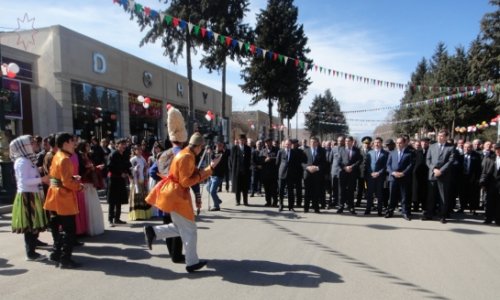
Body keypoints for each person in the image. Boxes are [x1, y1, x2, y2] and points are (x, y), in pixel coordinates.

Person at [144, 133, 221, 273]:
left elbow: (190, 173)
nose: (201, 150)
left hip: (174, 194)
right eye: (201, 147)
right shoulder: (186, 156)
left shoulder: (186, 154)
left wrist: (209, 168)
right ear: (197, 146)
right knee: (190, 230)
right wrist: (207, 170)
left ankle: (153, 231)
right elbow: (186, 181)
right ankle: (191, 262)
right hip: (177, 195)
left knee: (181, 228)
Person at [44, 132, 84, 268]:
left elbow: (56, 177)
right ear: (66, 143)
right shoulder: (65, 159)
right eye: (72, 141)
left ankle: (56, 253)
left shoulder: (57, 155)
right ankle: (65, 259)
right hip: (63, 197)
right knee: (69, 229)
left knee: (58, 227)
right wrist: (79, 186)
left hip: (54, 195)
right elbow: (66, 182)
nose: (74, 144)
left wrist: (73, 179)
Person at [10, 135, 50, 261]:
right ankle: (30, 253)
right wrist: (42, 179)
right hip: (28, 195)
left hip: (32, 194)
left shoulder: (27, 160)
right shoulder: (22, 161)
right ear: (24, 146)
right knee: (30, 224)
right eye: (31, 142)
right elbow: (25, 181)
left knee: (34, 222)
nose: (34, 144)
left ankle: (34, 244)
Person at [423, 130, 456, 223]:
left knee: (443, 196)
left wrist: (441, 171)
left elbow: (451, 161)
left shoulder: (451, 148)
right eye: (439, 136)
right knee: (431, 196)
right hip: (432, 175)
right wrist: (434, 169)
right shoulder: (432, 146)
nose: (439, 137)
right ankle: (429, 214)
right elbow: (428, 160)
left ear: (446, 137)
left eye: (442, 136)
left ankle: (442, 215)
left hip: (444, 175)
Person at [77, 140, 105, 236]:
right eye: (87, 145)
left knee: (93, 205)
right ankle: (88, 228)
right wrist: (91, 168)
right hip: (86, 183)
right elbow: (82, 171)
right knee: (88, 205)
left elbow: (90, 168)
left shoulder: (87, 156)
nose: (89, 147)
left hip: (91, 182)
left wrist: (96, 168)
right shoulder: (81, 157)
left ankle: (93, 227)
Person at [385, 136, 414, 220]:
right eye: (397, 143)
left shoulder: (410, 153)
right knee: (392, 196)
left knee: (404, 196)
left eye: (400, 143)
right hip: (393, 178)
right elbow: (388, 165)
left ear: (404, 143)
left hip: (404, 178)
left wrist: (403, 173)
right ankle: (390, 211)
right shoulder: (392, 152)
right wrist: (392, 172)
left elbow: (411, 165)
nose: (398, 145)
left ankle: (405, 213)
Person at [107, 138, 132, 226]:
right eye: (122, 144)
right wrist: (120, 173)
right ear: (117, 145)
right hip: (113, 179)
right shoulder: (113, 154)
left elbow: (127, 165)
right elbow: (110, 167)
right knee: (112, 200)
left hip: (121, 179)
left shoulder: (125, 154)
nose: (123, 146)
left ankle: (117, 218)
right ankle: (110, 219)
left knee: (120, 199)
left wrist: (130, 174)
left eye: (124, 144)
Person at [337, 136, 363, 214]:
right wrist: (345, 167)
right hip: (343, 172)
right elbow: (338, 161)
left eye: (349, 141)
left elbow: (359, 160)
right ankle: (341, 206)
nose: (347, 142)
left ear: (352, 142)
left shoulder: (357, 150)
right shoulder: (341, 149)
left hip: (352, 173)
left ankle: (351, 207)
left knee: (351, 191)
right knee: (342, 190)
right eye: (346, 141)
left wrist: (352, 167)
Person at [276, 139, 304, 211]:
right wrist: (279, 173)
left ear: (291, 145)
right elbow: (277, 163)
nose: (288, 145)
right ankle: (281, 205)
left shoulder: (294, 152)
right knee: (281, 190)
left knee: (291, 191)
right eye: (286, 144)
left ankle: (291, 206)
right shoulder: (280, 151)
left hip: (291, 174)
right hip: (282, 174)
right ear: (284, 144)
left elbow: (296, 163)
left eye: (289, 144)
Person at [364, 137, 388, 215]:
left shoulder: (386, 153)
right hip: (370, 176)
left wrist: (379, 173)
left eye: (378, 142)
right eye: (375, 142)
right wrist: (371, 173)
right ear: (373, 144)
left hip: (380, 177)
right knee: (369, 193)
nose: (377, 144)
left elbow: (386, 166)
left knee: (379, 194)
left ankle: (379, 210)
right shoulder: (370, 153)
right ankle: (368, 209)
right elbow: (367, 165)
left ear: (381, 143)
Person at [302, 137, 327, 213]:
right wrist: (307, 167)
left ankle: (316, 207)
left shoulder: (322, 151)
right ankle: (306, 208)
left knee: (316, 191)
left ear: (317, 143)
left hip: (317, 174)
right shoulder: (305, 151)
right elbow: (302, 162)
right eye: (311, 142)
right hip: (308, 173)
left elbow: (324, 163)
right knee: (307, 192)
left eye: (314, 142)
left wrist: (317, 168)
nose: (313, 143)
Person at [457, 142, 482, 215]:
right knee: (462, 193)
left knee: (473, 194)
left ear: (471, 148)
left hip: (472, 178)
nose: (467, 149)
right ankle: (462, 207)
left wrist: (477, 178)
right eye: (465, 147)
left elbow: (479, 168)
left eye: (468, 147)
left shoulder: (476, 156)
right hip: (462, 178)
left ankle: (473, 209)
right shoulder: (460, 156)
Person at [129, 145, 151, 220]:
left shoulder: (143, 159)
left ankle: (143, 214)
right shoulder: (132, 160)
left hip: (142, 180)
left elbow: (145, 168)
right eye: (138, 150)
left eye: (140, 150)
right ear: (135, 151)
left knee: (143, 198)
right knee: (136, 198)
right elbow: (129, 170)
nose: (140, 151)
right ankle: (137, 215)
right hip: (136, 181)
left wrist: (146, 168)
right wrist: (134, 169)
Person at [480, 143, 500, 225]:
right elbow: (484, 172)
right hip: (491, 183)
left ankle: (498, 219)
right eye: (497, 149)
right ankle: (488, 218)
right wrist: (483, 183)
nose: (498, 151)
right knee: (489, 202)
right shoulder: (490, 158)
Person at [229, 134, 252, 206]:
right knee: (237, 187)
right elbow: (231, 160)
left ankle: (245, 201)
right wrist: (232, 169)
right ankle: (237, 201)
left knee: (245, 187)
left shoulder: (248, 148)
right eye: (240, 140)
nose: (242, 141)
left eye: (243, 140)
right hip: (237, 171)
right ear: (238, 141)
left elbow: (249, 160)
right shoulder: (234, 148)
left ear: (245, 140)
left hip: (245, 171)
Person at [207, 138, 229, 211]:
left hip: (218, 176)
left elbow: (217, 159)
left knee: (212, 191)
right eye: (217, 145)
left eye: (220, 146)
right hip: (212, 175)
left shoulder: (223, 154)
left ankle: (216, 206)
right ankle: (218, 200)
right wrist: (210, 153)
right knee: (208, 188)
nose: (218, 147)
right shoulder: (214, 153)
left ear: (222, 147)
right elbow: (211, 160)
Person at [259, 138, 279, 207]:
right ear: (265, 143)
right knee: (267, 189)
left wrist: (270, 158)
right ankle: (268, 202)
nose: (268, 144)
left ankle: (275, 202)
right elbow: (260, 160)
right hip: (265, 174)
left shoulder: (276, 150)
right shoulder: (262, 151)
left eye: (269, 143)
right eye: (266, 143)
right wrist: (265, 160)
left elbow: (278, 158)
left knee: (274, 189)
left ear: (271, 143)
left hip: (273, 173)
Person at [412, 138, 430, 213]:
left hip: (427, 175)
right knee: (416, 191)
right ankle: (415, 206)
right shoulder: (416, 152)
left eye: (426, 143)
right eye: (422, 142)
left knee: (425, 192)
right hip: (416, 175)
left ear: (428, 143)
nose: (424, 144)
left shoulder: (430, 151)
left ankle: (424, 207)